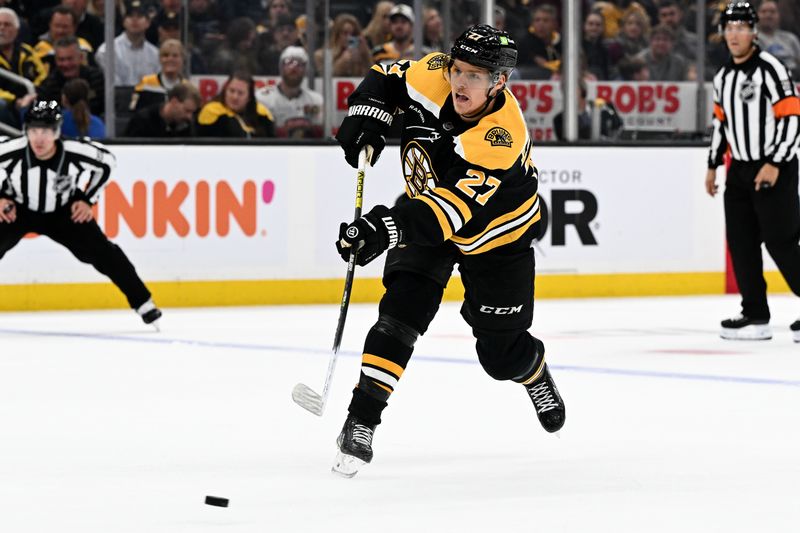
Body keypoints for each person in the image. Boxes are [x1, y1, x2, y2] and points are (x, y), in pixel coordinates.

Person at [331, 24, 566, 477]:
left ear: (500, 82)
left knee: (500, 357)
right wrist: (366, 117)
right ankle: (361, 421)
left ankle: (532, 369)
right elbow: (386, 76)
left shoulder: (501, 138)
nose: (460, 82)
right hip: (428, 211)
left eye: (475, 76)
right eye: (459, 71)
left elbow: (449, 212)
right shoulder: (433, 74)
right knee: (400, 313)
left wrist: (382, 229)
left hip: (497, 236)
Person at [0, 100, 162, 327]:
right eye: (34, 130)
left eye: (46, 131)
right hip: (19, 209)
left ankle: (144, 303)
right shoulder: (12, 150)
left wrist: (88, 199)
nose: (39, 138)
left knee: (105, 254)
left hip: (64, 212)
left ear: (57, 132)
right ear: (26, 131)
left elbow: (107, 163)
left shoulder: (76, 151)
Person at [705, 2, 800, 341]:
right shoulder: (723, 76)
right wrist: (713, 165)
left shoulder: (772, 69)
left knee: (783, 241)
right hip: (740, 171)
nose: (733, 34)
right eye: (728, 28)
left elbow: (791, 117)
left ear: (753, 31)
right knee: (741, 242)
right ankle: (755, 314)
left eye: (740, 27)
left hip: (775, 166)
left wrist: (775, 162)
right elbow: (721, 123)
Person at [255, 45, 321, 138]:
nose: (294, 68)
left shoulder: (316, 100)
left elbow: (321, 134)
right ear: (281, 67)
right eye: (288, 62)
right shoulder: (262, 98)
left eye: (299, 64)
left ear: (306, 70)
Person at [95, 0, 160, 87]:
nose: (134, 20)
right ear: (123, 21)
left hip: (148, 98)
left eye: (140, 16)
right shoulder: (107, 51)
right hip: (117, 99)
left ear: (148, 23)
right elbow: (113, 87)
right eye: (130, 16)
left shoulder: (156, 54)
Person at [0, 8, 46, 127]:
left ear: (16, 30)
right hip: (7, 104)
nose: (2, 28)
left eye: (7, 24)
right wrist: (15, 101)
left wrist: (32, 95)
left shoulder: (27, 51)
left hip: (29, 99)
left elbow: (42, 76)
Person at [38, 36, 105, 116]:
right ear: (55, 60)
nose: (66, 64)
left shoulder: (98, 78)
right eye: (61, 59)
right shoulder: (47, 86)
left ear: (80, 57)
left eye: (70, 59)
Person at [196, 71, 274, 137]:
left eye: (240, 93)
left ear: (249, 97)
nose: (235, 97)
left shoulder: (262, 115)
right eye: (231, 91)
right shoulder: (212, 111)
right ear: (225, 91)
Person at [34, 6, 96, 76]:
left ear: (74, 27)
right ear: (50, 25)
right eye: (57, 26)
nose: (60, 31)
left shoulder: (84, 47)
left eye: (65, 26)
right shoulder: (39, 50)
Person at [129, 38, 187, 112]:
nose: (170, 59)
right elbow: (133, 109)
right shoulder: (145, 83)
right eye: (165, 55)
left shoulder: (187, 87)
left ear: (182, 59)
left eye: (175, 56)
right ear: (160, 59)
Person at [124, 81, 200, 137]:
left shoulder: (186, 125)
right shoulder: (142, 121)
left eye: (192, 112)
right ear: (174, 102)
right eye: (187, 111)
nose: (189, 117)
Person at [553, 80, 623, 140]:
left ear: (582, 90)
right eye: (564, 91)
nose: (568, 94)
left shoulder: (605, 107)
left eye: (572, 90)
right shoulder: (559, 119)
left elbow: (618, 128)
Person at [756, 0, 800, 77]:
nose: (768, 15)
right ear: (757, 15)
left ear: (779, 15)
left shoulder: (790, 38)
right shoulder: (753, 38)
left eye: (772, 12)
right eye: (764, 11)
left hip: (794, 76)